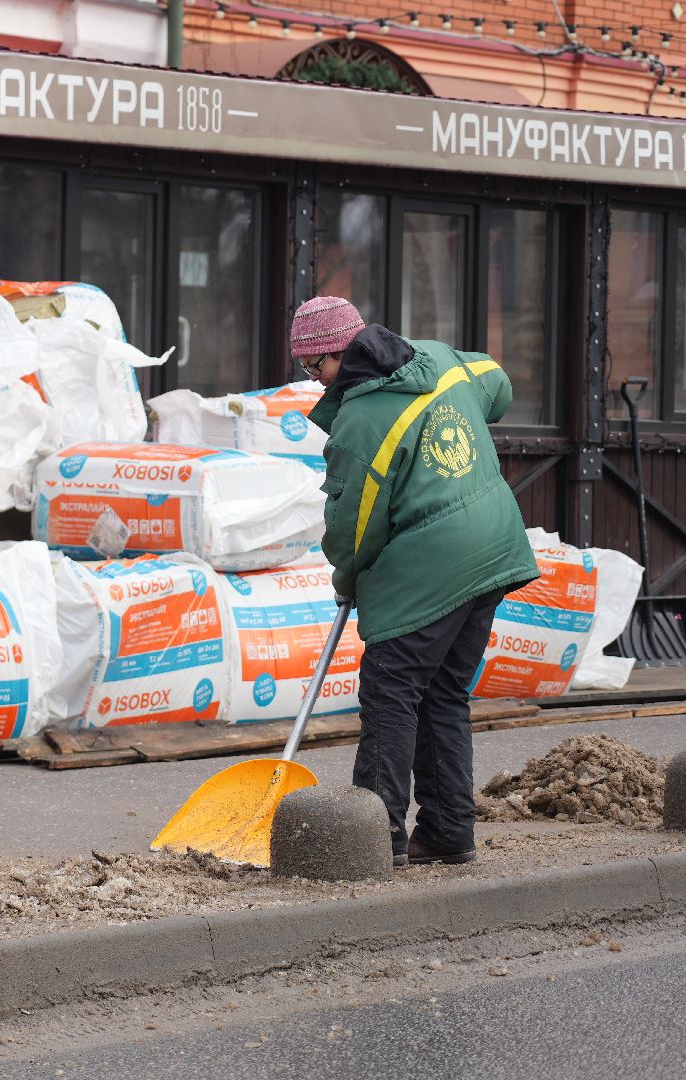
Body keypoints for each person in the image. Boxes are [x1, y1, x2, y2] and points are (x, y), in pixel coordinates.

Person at [292, 295, 538, 867]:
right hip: (494, 549)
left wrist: (347, 577)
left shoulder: (359, 421)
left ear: (337, 355)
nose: (314, 381)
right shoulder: (442, 360)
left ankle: (374, 840)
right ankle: (449, 830)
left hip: (434, 564)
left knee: (392, 692)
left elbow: (354, 523)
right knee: (446, 693)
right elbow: (496, 383)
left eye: (314, 368)